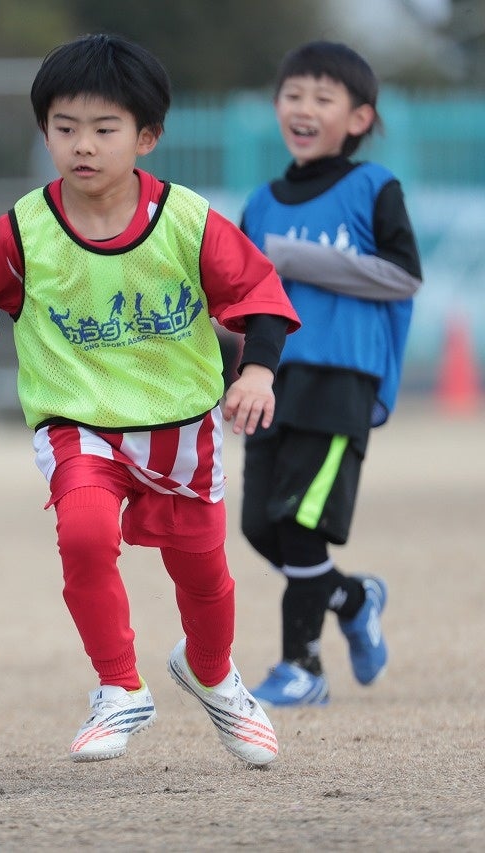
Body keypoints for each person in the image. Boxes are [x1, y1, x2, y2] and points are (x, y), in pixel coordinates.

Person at [0, 33, 302, 767]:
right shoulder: (23, 232)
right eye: (65, 127)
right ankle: (119, 685)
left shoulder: (187, 220)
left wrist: (258, 373)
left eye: (105, 129)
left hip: (182, 428)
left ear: (146, 136)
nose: (83, 145)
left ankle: (212, 671)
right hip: (80, 425)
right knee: (81, 532)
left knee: (205, 576)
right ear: (44, 131)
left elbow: (260, 296)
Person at [238, 41, 421, 707]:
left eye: (323, 98)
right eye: (293, 95)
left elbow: (403, 275)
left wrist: (299, 259)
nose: (304, 109)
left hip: (342, 379)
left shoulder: (374, 188)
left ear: (360, 118)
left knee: (300, 524)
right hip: (272, 379)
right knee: (260, 525)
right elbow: (244, 298)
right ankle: (353, 595)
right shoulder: (260, 203)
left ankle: (301, 666)